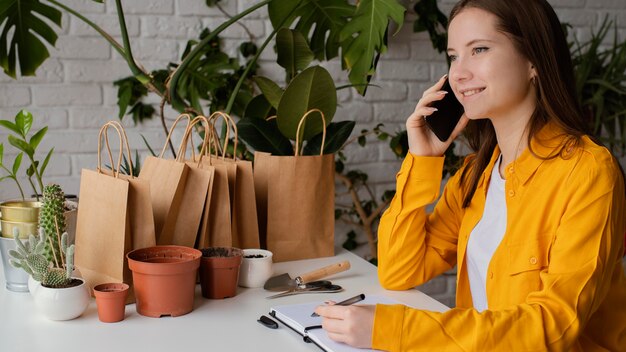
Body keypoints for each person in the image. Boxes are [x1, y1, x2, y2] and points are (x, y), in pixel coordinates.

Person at [313, 0, 626, 350]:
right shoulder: (476, 174)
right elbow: (400, 269)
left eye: (479, 49)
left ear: (533, 60)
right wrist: (422, 159)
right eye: (453, 56)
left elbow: (553, 325)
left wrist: (396, 328)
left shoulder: (588, 173)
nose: (458, 74)